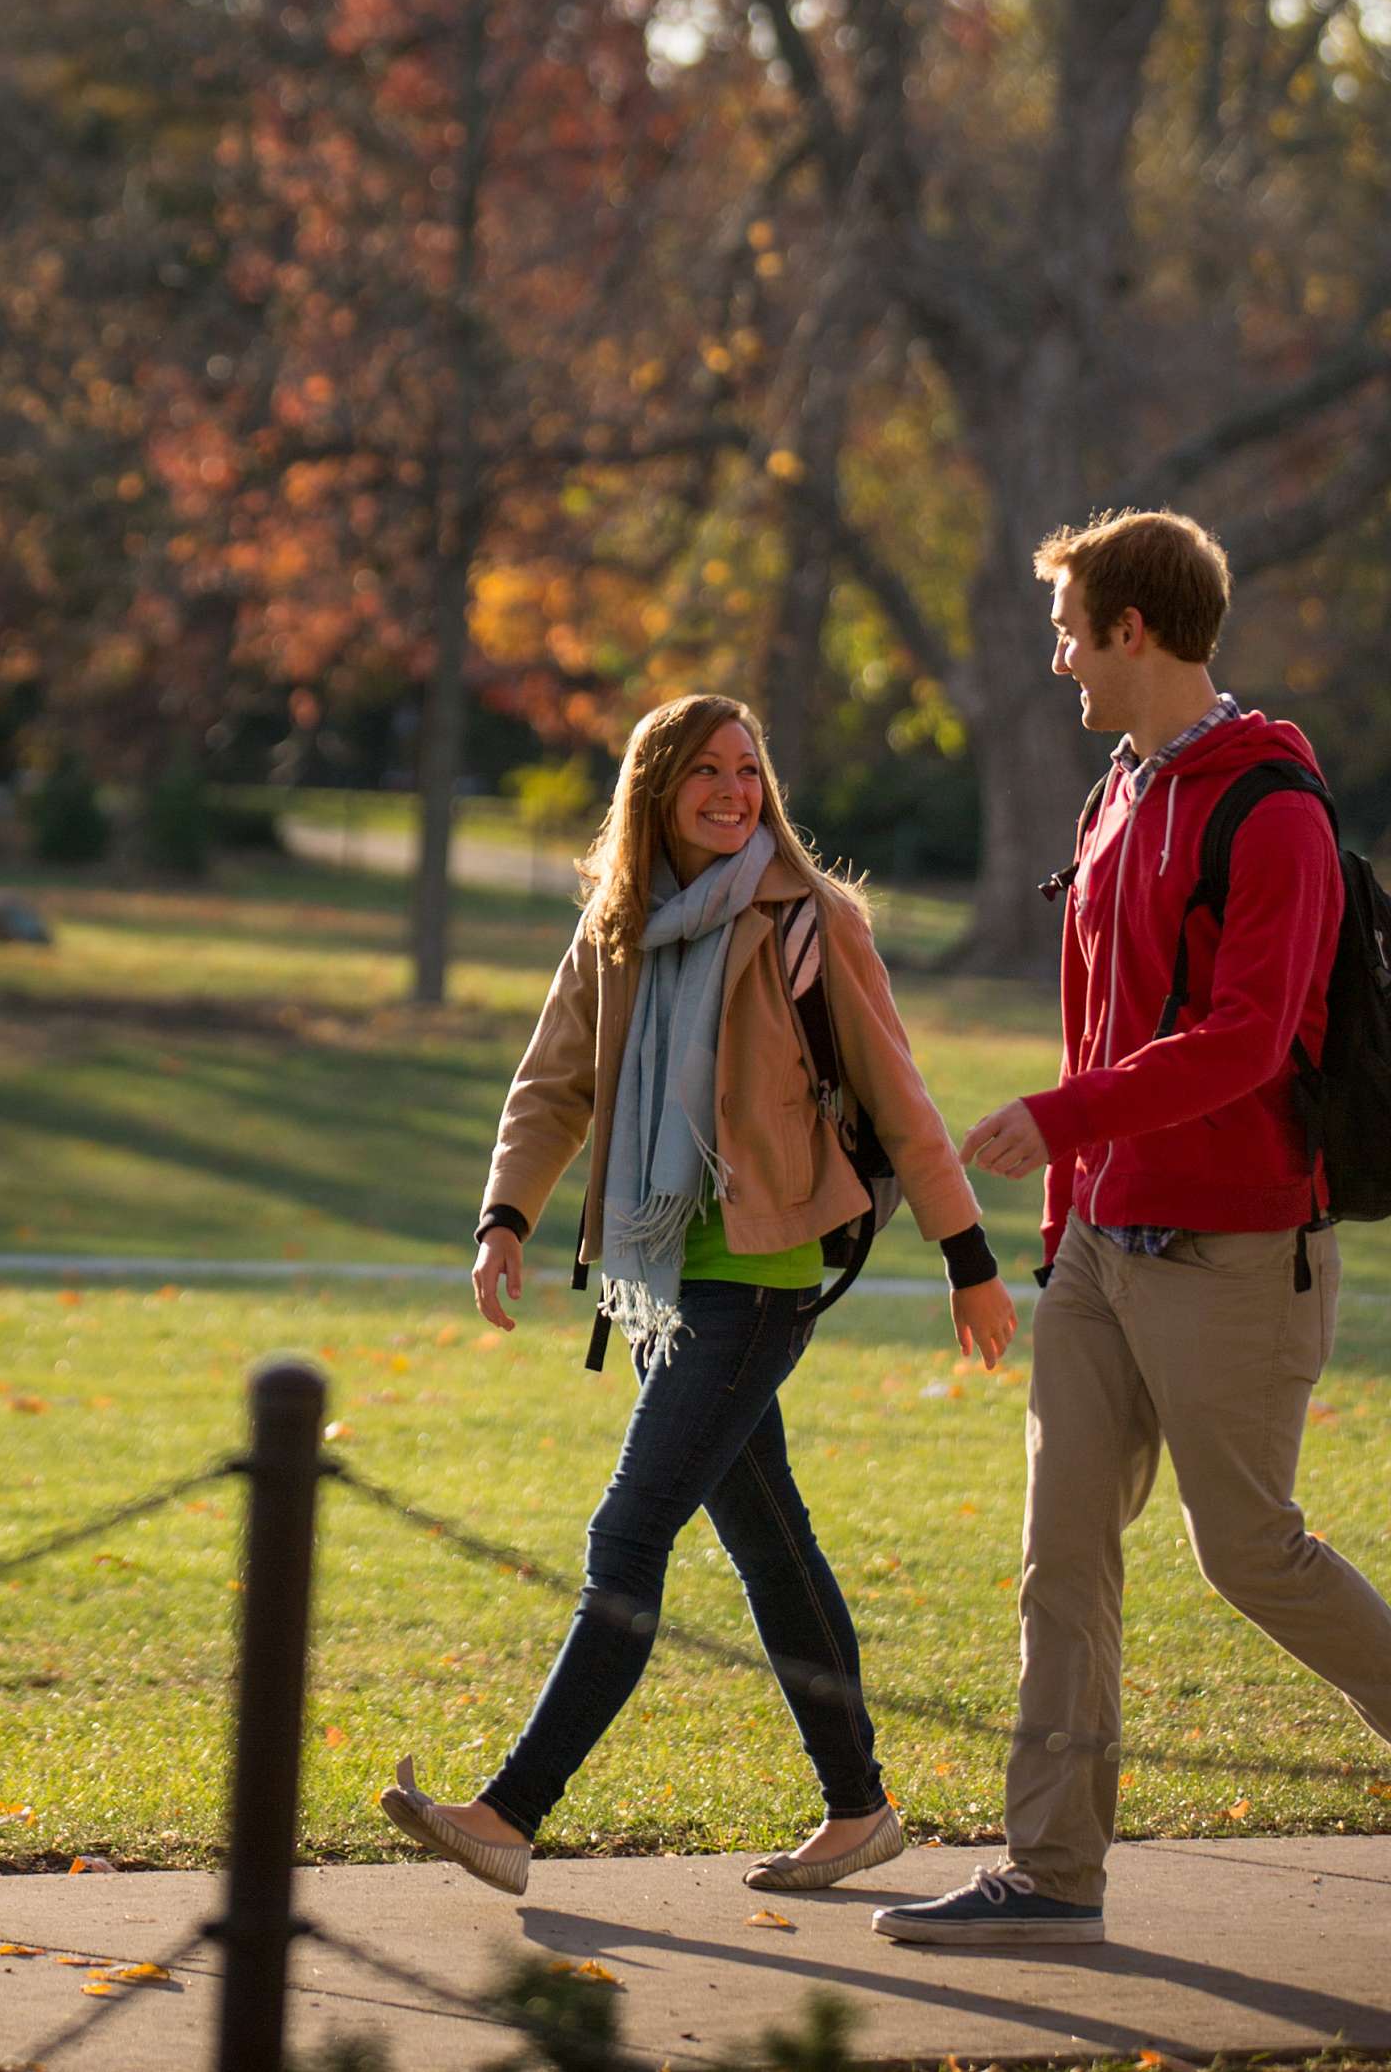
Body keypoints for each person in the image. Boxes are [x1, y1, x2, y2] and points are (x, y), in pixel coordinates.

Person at [875, 509, 1391, 1951]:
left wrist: (1065, 1116)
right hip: (1103, 1246)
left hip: (1235, 1247)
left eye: (1069, 631)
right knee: (1063, 1560)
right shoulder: (1121, 790)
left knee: (1251, 1550)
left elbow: (1248, 1041)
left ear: (1133, 630)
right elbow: (1104, 1005)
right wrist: (1068, 1206)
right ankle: (1051, 1871)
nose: (1058, 660)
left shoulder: (1271, 809)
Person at [377, 692, 1018, 1899]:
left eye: (749, 772)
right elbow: (553, 1083)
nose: (735, 794)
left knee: (626, 1534)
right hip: (664, 1277)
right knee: (772, 1543)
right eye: (707, 775)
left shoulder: (809, 921)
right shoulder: (620, 927)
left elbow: (901, 1099)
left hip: (765, 1278)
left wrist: (968, 1260)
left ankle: (511, 1813)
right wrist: (504, 1216)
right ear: (655, 792)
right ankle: (862, 1806)